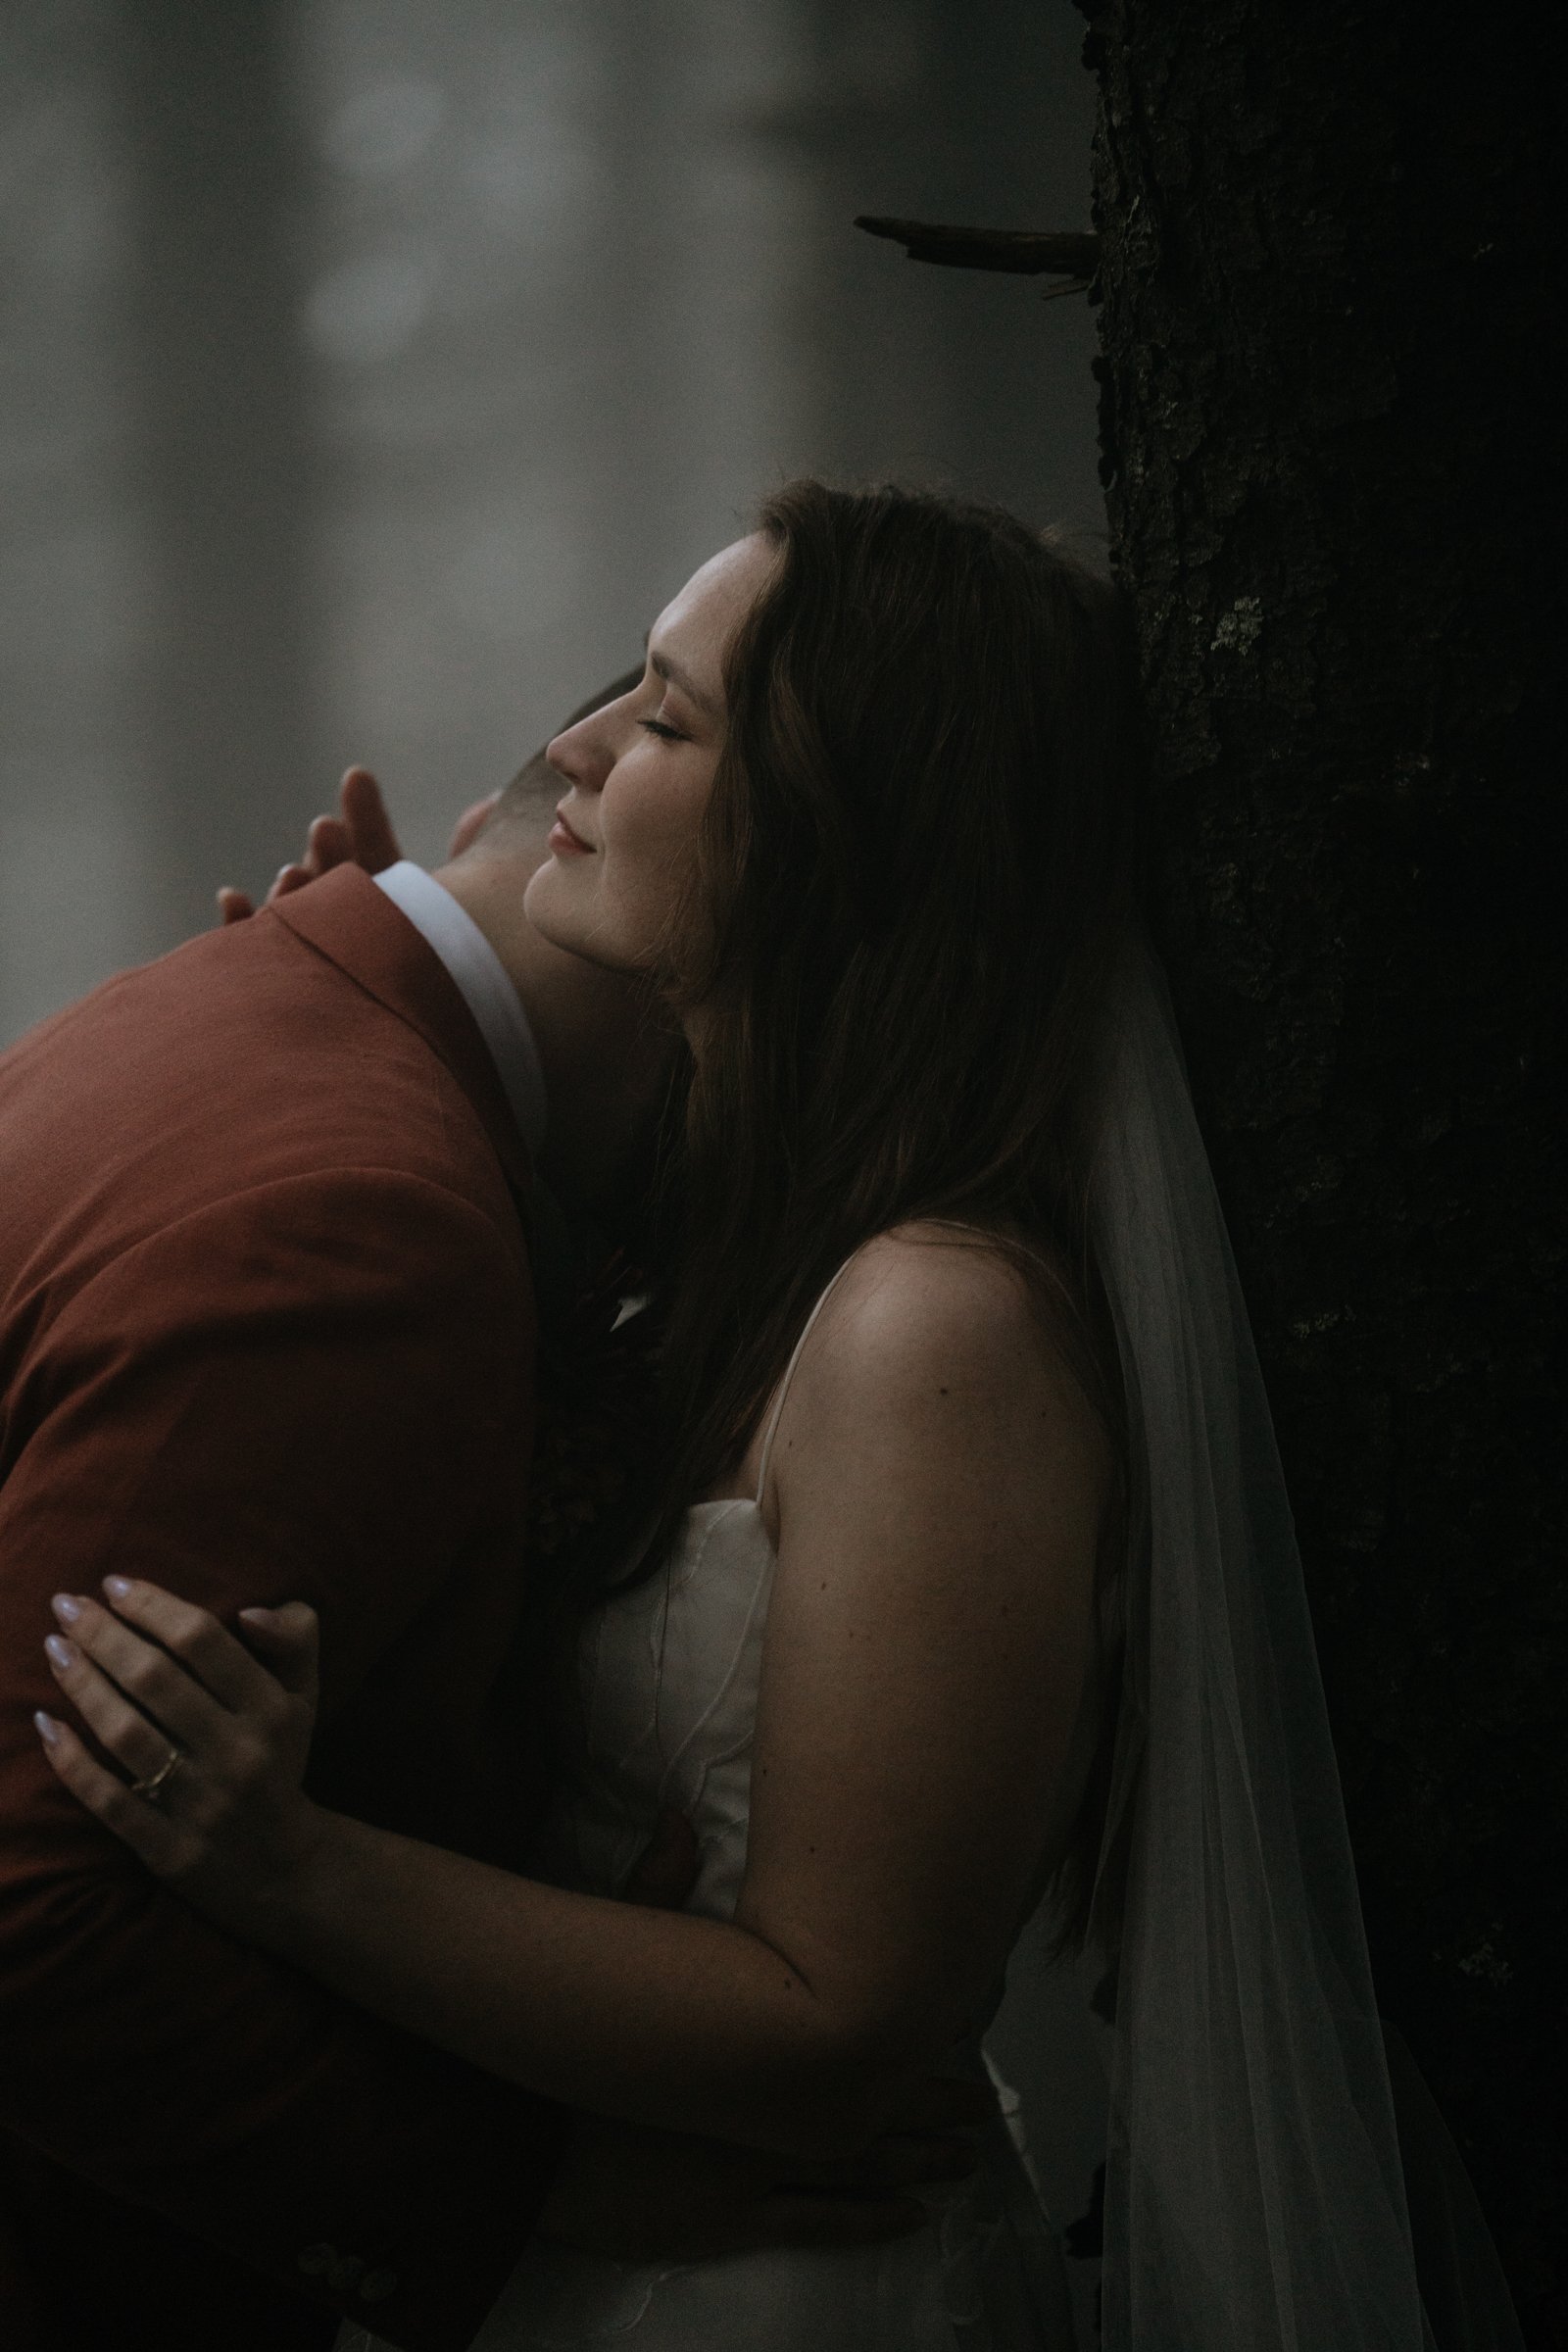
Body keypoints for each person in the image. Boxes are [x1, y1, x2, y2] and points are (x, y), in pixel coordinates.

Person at [37, 481, 1466, 2350]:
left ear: (832, 844)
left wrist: (303, 1868)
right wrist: (380, 1064)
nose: (571, 748)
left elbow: (840, 2022)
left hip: (770, 2286)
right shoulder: (718, 1267)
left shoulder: (931, 1330)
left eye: (664, 720)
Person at [0, 668, 972, 2352]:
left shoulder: (234, 1014)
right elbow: (33, 1905)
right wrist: (508, 2188)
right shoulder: (366, 1207)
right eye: (653, 708)